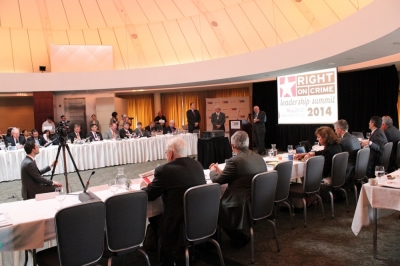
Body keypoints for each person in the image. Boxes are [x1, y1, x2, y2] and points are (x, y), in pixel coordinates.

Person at [142, 137, 205, 265]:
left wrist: (143, 186)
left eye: (166, 152)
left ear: (170, 153)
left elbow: (150, 195)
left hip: (177, 225)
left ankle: (166, 257)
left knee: (154, 218)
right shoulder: (197, 165)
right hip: (201, 220)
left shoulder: (165, 170)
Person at [209, 131, 267, 247]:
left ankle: (233, 238)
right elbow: (237, 175)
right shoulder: (258, 157)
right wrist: (220, 172)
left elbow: (217, 181)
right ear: (248, 143)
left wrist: (212, 171)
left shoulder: (234, 161)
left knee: (213, 206)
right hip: (259, 200)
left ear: (232, 146)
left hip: (242, 202)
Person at [333, 120, 361, 184]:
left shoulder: (342, 141)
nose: (335, 132)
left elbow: (334, 154)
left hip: (347, 170)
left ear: (339, 129)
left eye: (335, 130)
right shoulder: (355, 138)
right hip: (355, 168)